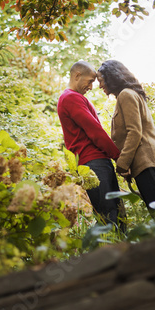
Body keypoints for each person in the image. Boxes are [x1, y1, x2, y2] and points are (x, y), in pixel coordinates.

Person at [96, 60, 155, 213]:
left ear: (111, 76)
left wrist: (122, 164)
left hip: (147, 161)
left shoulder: (126, 95)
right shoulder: (127, 94)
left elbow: (134, 132)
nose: (100, 85)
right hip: (144, 164)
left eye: (101, 80)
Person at [57, 61, 125, 228]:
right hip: (94, 163)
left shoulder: (74, 98)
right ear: (77, 76)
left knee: (114, 213)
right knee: (109, 216)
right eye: (89, 81)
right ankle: (112, 253)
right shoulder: (71, 98)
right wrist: (118, 157)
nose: (92, 86)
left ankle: (120, 250)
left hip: (95, 162)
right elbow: (94, 130)